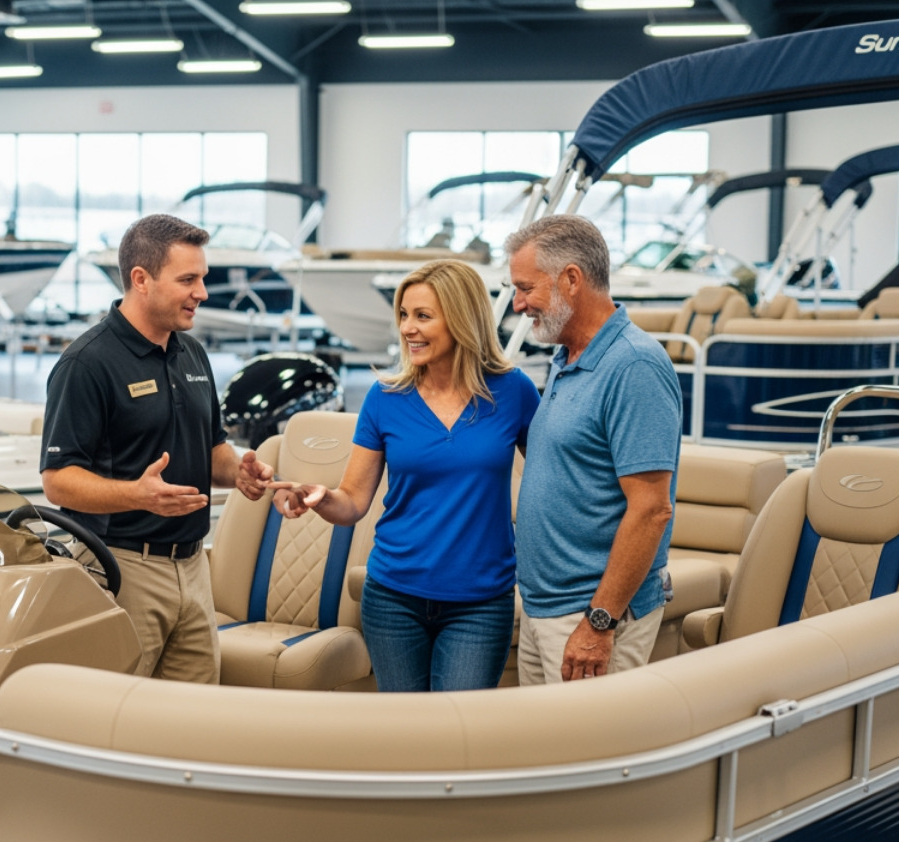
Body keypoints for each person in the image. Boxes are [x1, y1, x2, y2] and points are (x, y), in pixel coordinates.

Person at [269, 259, 539, 691]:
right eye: (403, 315)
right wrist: (319, 497)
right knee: (406, 738)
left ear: (462, 319)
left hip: (480, 602)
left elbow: (552, 478)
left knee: (459, 737)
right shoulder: (385, 397)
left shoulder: (513, 391)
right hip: (393, 597)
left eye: (423, 316)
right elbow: (353, 501)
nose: (408, 328)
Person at [39, 214, 273, 685]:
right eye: (188, 280)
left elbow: (212, 448)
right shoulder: (86, 363)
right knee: (118, 717)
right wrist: (137, 495)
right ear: (141, 280)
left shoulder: (192, 354)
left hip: (193, 566)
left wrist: (239, 470)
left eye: (202, 279)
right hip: (122, 566)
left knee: (192, 721)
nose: (202, 293)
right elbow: (57, 480)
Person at [503, 215, 680, 686]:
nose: (518, 304)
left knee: (584, 755)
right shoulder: (567, 358)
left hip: (590, 616)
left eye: (525, 288)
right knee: (542, 757)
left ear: (572, 279)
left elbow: (651, 510)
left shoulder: (634, 364)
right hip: (546, 607)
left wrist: (599, 621)